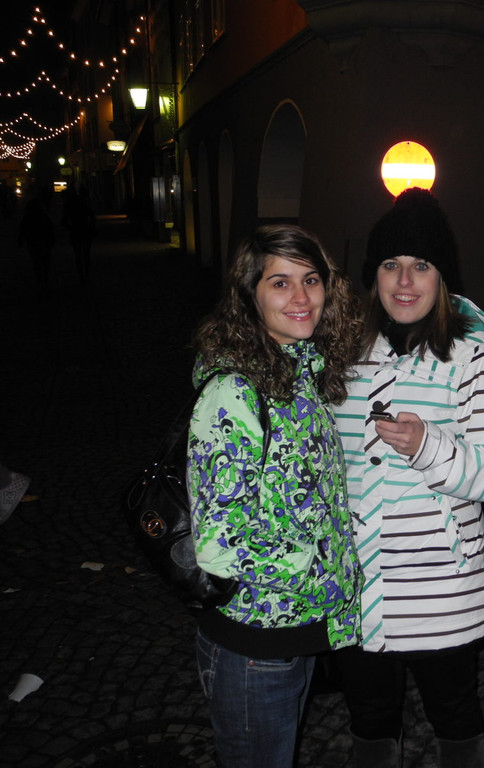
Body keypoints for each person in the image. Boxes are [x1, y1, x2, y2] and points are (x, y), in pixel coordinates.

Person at [330, 187, 484, 768]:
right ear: (373, 275)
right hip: (357, 585)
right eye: (391, 264)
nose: (405, 281)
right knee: (368, 718)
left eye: (421, 265)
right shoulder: (345, 354)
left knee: (455, 715)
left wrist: (429, 447)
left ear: (442, 277)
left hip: (440, 588)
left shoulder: (472, 358)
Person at [186, 224, 364, 768]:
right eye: (280, 283)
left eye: (311, 279)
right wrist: (316, 569)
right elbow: (219, 542)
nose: (301, 297)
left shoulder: (300, 373)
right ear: (249, 295)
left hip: (294, 630)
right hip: (253, 644)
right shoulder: (234, 392)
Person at [62, 186, 97, 283]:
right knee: (86, 254)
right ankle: (86, 273)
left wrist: (70, 228)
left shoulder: (69, 206)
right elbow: (92, 216)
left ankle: (81, 274)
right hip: (85, 231)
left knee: (78, 254)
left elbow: (64, 221)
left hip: (75, 232)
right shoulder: (82, 203)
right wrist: (91, 226)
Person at [18, 197, 55, 285]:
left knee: (36, 261)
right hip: (43, 242)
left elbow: (22, 229)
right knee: (45, 260)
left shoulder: (28, 217)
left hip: (33, 242)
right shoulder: (43, 216)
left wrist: (20, 240)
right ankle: (45, 276)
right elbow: (50, 229)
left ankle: (39, 277)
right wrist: (52, 240)